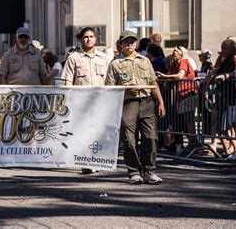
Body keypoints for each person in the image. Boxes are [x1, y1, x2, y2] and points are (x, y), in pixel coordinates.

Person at [105, 30, 166, 184]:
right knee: (129, 140)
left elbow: (153, 82)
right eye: (126, 42)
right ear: (121, 44)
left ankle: (149, 170)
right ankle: (134, 172)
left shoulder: (145, 61)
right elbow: (109, 88)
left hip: (147, 102)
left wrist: (161, 102)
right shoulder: (115, 64)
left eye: (132, 41)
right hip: (127, 103)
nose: (130, 44)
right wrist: (126, 89)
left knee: (150, 137)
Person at [61, 27, 110, 174]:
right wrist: (68, 101)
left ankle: (96, 158)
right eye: (85, 37)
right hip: (81, 101)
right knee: (85, 131)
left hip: (100, 100)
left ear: (95, 39)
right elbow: (68, 80)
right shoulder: (74, 58)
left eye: (91, 36)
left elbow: (109, 80)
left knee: (98, 131)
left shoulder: (104, 58)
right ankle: (87, 160)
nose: (88, 39)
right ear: (80, 39)